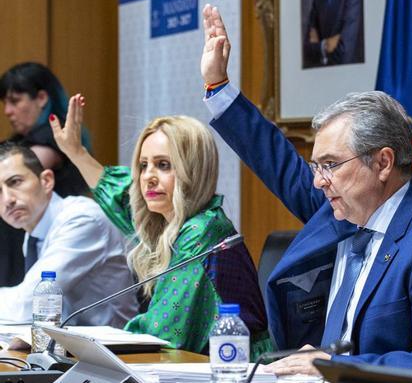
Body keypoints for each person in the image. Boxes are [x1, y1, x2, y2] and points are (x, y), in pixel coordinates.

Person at [201, 4, 412, 380]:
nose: (319, 181)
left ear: (383, 163)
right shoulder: (348, 205)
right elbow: (279, 164)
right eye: (318, 166)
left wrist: (332, 367)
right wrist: (219, 87)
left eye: (331, 164)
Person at [50, 103, 273, 356]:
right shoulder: (165, 222)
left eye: (163, 165)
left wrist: (82, 344)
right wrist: (76, 152)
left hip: (238, 369)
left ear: (193, 169)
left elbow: (162, 332)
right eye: (143, 165)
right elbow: (124, 197)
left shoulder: (202, 232)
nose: (148, 177)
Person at [0, 143, 136, 326]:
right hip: (69, 347)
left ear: (46, 181)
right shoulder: (33, 234)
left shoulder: (82, 219)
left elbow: (32, 302)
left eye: (15, 182)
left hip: (116, 350)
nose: (8, 199)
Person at [0, 62, 90, 287]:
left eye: (15, 101)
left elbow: (23, 166)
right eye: (5, 103)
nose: (7, 111)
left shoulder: (54, 138)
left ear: (41, 98)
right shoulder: (18, 141)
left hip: (55, 241)